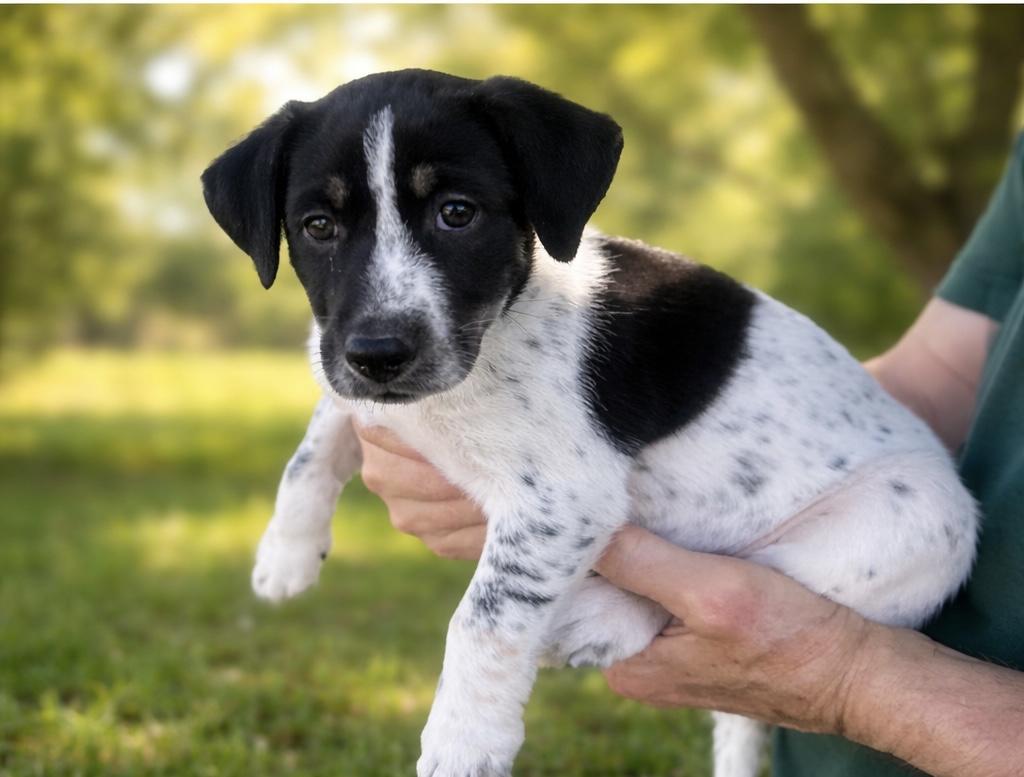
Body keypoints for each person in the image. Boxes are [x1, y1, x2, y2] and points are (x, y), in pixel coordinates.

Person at [354, 132, 1024, 777]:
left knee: (934, 525)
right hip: (837, 733)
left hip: (899, 625)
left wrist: (848, 677)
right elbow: (939, 376)